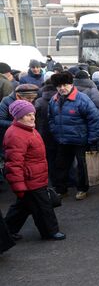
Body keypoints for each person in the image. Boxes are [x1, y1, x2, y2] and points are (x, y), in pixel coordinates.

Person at [3, 100, 65, 241]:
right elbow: (14, 164)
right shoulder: (16, 135)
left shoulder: (28, 129)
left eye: (33, 114)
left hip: (34, 177)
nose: (32, 117)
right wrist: (19, 186)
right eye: (28, 115)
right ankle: (50, 232)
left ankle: (7, 232)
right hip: (31, 180)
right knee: (43, 207)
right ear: (18, 117)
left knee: (22, 207)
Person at [48, 71, 99, 200]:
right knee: (61, 165)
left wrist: (92, 139)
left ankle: (82, 189)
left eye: (65, 85)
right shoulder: (54, 100)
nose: (62, 88)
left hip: (80, 140)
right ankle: (62, 190)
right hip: (62, 139)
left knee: (82, 166)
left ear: (71, 84)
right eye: (59, 86)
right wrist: (55, 131)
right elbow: (50, 118)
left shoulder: (82, 99)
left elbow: (94, 119)